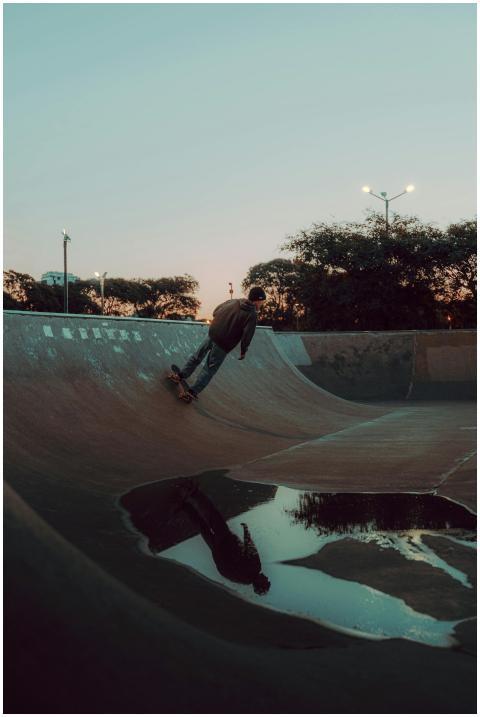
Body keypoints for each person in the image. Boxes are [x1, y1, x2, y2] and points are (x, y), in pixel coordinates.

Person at [169, 286, 267, 402]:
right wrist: (243, 350)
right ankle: (192, 392)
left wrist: (221, 322)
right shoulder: (252, 314)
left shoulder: (234, 301)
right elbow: (247, 335)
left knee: (197, 357)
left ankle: (179, 376)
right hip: (223, 344)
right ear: (257, 300)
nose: (262, 304)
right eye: (262, 301)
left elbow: (216, 311)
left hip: (212, 334)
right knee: (209, 369)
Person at [181, 481, 271, 595]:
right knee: (203, 527)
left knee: (213, 516)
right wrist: (217, 554)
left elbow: (250, 548)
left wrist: (246, 531)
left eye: (266, 580)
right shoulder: (243, 580)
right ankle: (185, 505)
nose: (267, 577)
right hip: (217, 551)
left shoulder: (255, 568)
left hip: (226, 543)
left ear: (260, 582)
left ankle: (193, 493)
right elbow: (223, 572)